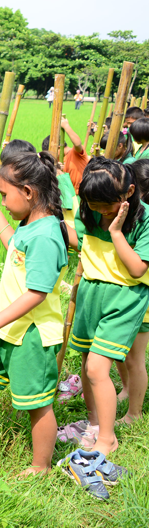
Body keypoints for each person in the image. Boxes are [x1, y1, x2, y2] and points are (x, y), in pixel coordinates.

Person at [0, 151, 69, 475]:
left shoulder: (47, 236)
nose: (5, 201)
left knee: (36, 404)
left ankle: (40, 466)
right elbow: (15, 249)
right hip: (7, 328)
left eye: (6, 195)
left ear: (29, 192)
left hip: (30, 335)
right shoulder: (30, 225)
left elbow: (37, 293)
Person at [63, 158, 149, 456]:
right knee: (88, 367)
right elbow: (82, 244)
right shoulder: (87, 210)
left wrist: (115, 232)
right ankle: (95, 424)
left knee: (99, 369)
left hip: (125, 296)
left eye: (106, 205)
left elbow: (138, 269)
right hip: (91, 293)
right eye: (94, 205)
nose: (100, 211)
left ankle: (108, 438)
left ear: (128, 192)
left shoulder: (144, 218)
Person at [117, 157, 149, 423]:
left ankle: (135, 414)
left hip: (142, 297)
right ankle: (127, 390)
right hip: (130, 293)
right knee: (126, 354)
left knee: (136, 358)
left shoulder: (144, 216)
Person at [42, 117, 88, 193]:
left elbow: (77, 143)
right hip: (69, 196)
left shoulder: (75, 153)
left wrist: (66, 126)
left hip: (81, 194)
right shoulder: (58, 161)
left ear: (58, 148)